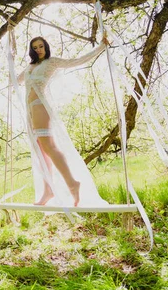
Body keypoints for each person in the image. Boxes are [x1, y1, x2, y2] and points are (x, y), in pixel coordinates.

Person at [14, 34, 110, 207]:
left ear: (46, 46)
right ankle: (48, 190)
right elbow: (15, 81)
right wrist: (10, 53)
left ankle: (72, 183)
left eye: (41, 46)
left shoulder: (51, 62)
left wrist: (101, 47)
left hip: (40, 106)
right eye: (35, 47)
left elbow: (78, 60)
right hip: (29, 112)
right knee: (40, 152)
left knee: (49, 147)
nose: (38, 50)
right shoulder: (30, 67)